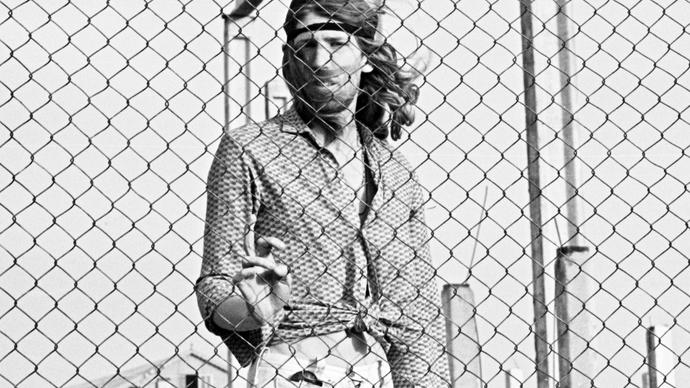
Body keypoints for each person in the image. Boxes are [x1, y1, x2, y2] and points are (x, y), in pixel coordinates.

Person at [195, 0, 449, 386]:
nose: (319, 58)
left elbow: (418, 315)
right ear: (289, 58)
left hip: (373, 373)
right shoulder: (250, 148)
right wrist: (252, 308)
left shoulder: (396, 172)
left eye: (335, 41)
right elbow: (214, 288)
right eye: (306, 45)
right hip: (292, 370)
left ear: (365, 56)